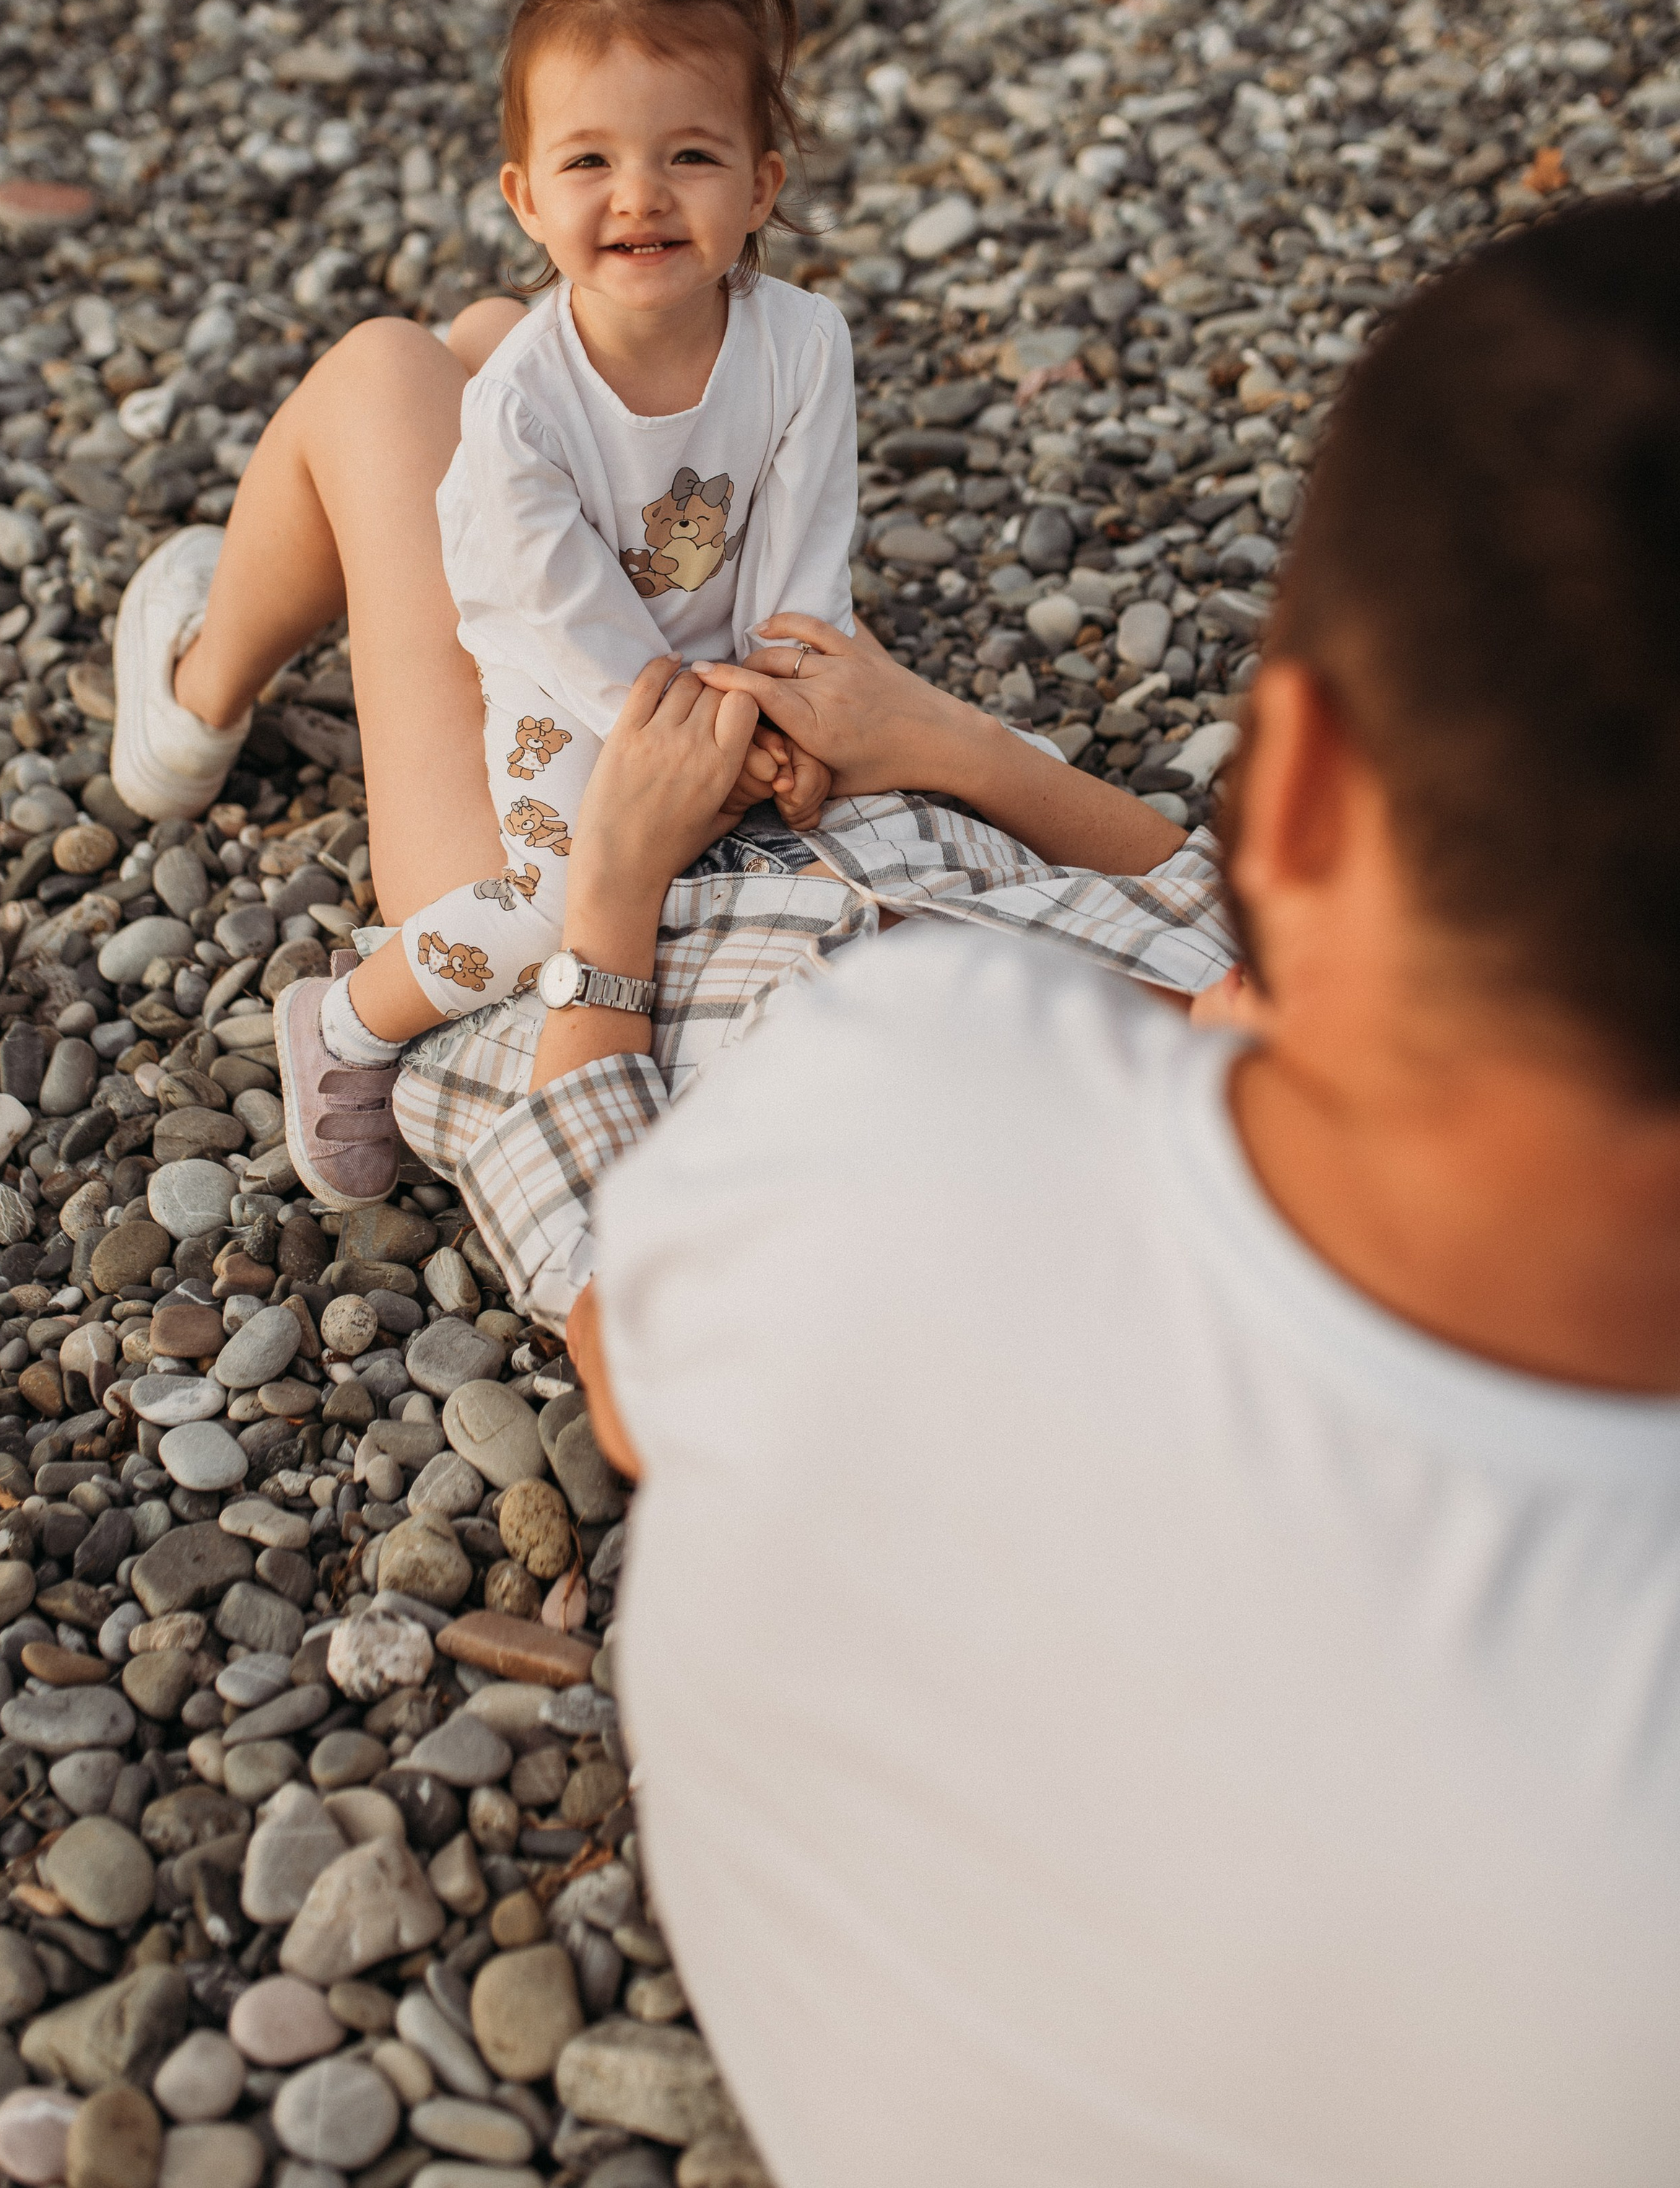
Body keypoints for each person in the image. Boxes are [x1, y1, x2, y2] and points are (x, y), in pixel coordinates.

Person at [489, 196, 1680, 2186]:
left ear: (1287, 797)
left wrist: (601, 928)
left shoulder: (914, 1100)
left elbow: (626, 1349)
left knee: (421, 383)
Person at [109, 0, 861, 1210]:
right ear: (523, 198)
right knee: (552, 892)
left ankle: (202, 679)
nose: (642, 196)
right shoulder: (512, 412)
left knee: (440, 350)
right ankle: (346, 1020)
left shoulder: (800, 341)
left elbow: (805, 551)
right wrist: (699, 736)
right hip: (563, 687)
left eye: (691, 156)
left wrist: (790, 695)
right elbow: (556, 617)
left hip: (700, 663)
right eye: (590, 163)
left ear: (761, 183)